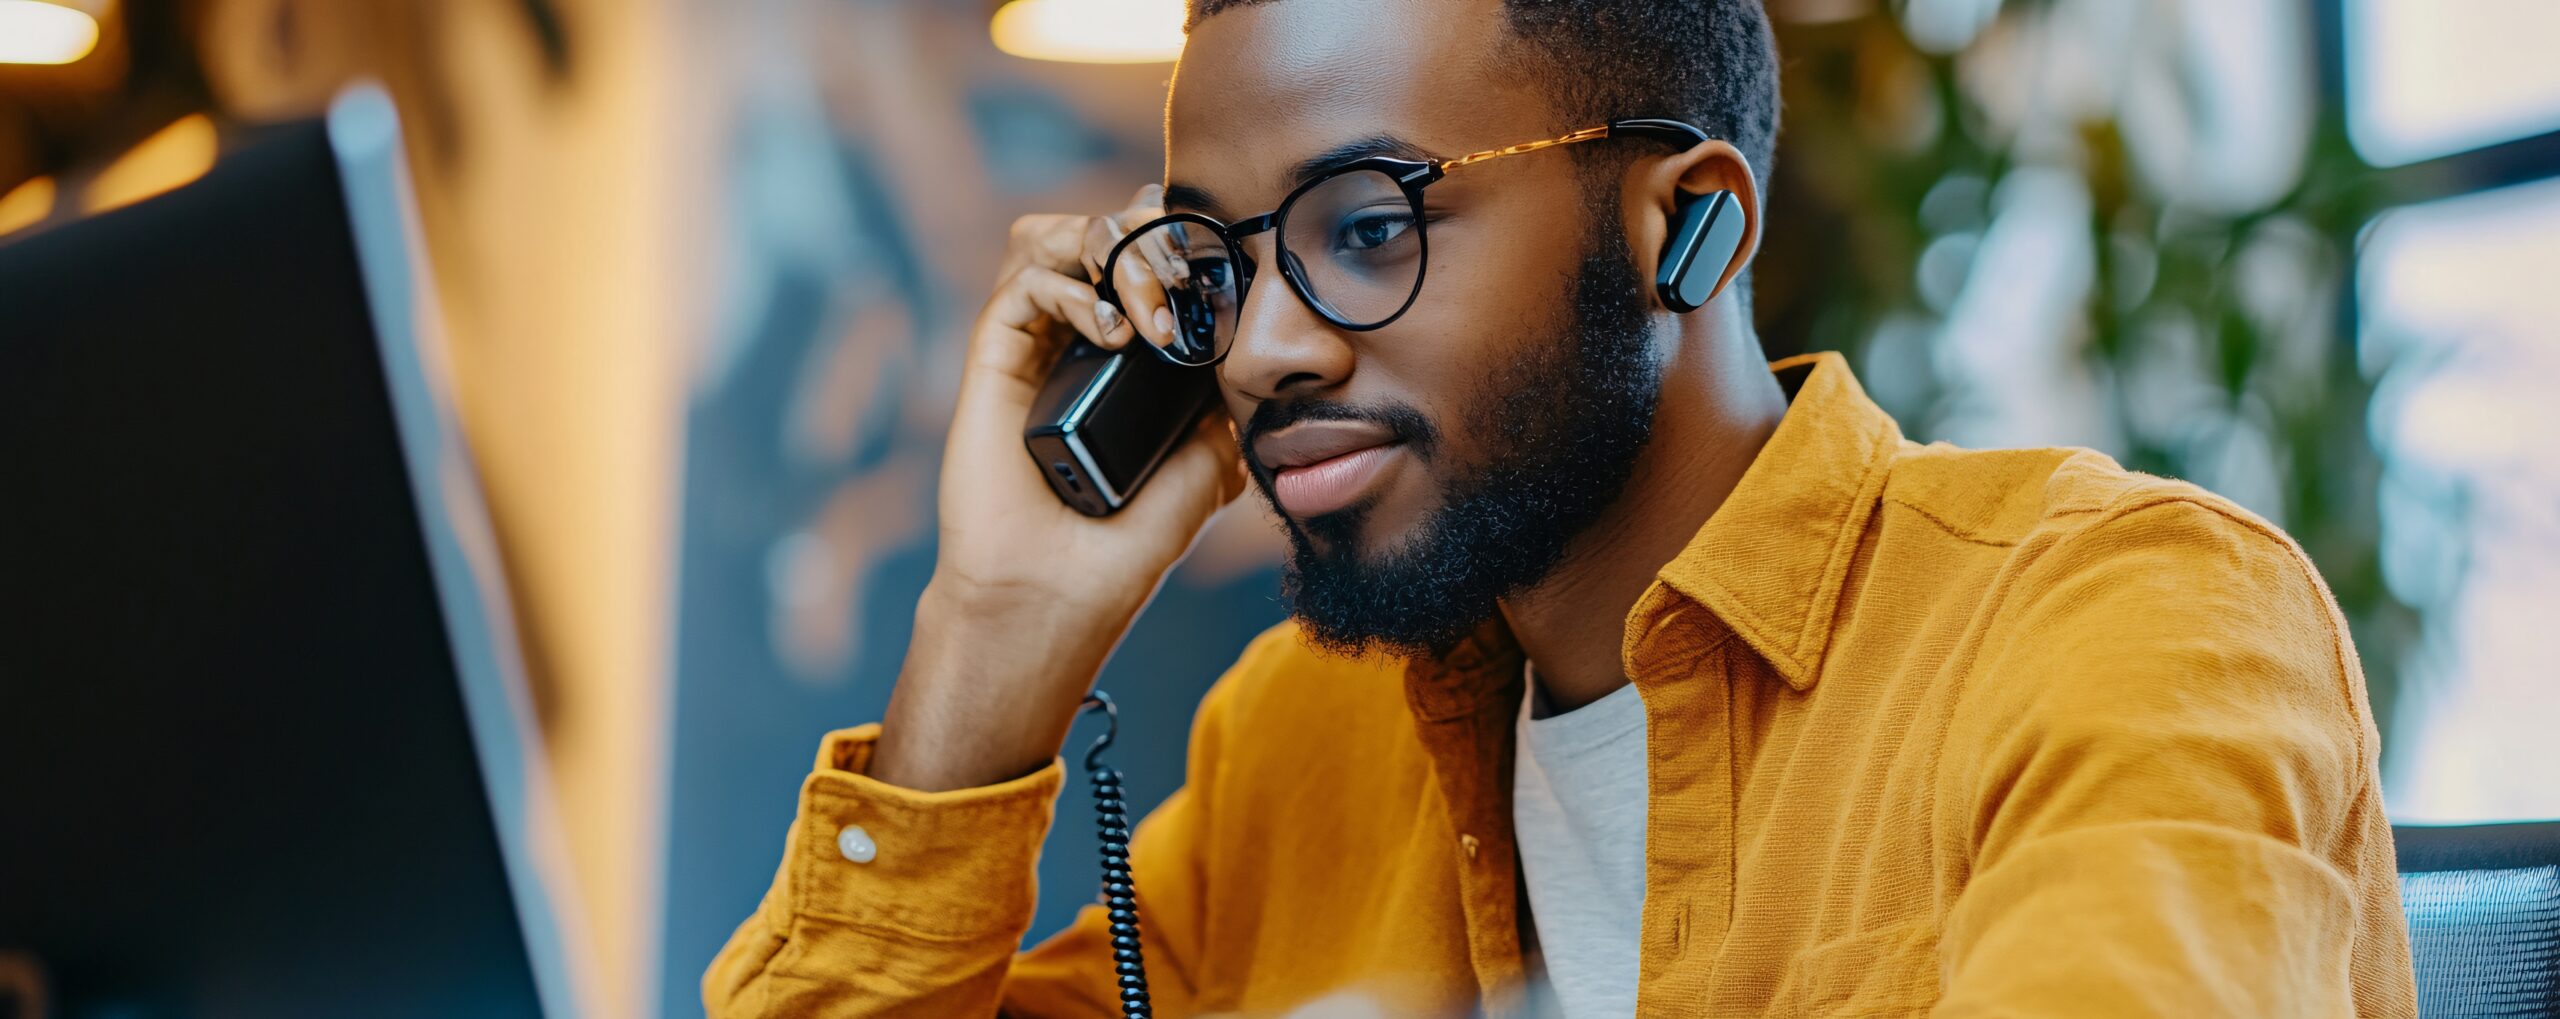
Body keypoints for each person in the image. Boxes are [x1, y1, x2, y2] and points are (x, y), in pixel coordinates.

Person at [704, 0, 2417, 1015]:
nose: (1266, 350)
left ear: (1686, 227)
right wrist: (993, 632)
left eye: (1368, 227)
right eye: (1222, 262)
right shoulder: (1290, 751)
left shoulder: (2127, 622)